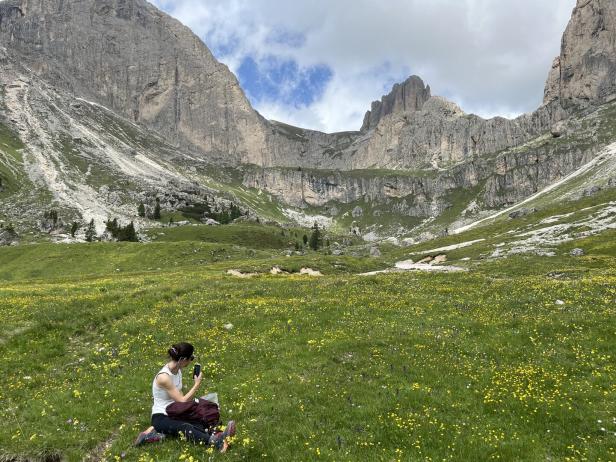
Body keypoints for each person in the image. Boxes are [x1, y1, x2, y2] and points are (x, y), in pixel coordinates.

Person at [134, 342, 236, 452]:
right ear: (182, 359)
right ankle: (217, 443)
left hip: (174, 411)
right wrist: (196, 385)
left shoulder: (177, 371)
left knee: (199, 418)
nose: (191, 361)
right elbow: (182, 400)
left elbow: (181, 397)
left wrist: (193, 406)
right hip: (161, 416)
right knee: (185, 427)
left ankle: (219, 434)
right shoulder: (164, 377)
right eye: (190, 358)